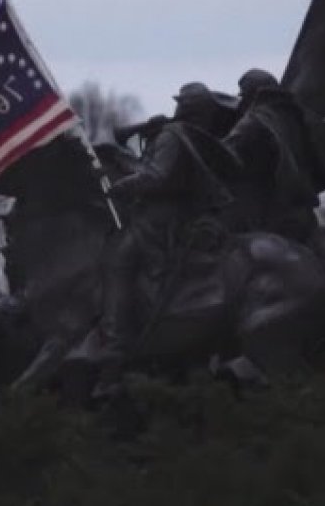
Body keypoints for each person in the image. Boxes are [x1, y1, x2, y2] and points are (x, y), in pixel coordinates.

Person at [96, 83, 241, 392]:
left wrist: (123, 185)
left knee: (118, 260)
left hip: (159, 219)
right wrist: (122, 156)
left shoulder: (172, 136)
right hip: (172, 213)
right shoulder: (183, 134)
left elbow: (157, 177)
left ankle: (116, 344)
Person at [223, 68, 325, 242]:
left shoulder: (253, 121)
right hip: (302, 210)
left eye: (243, 96)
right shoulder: (300, 117)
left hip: (268, 215)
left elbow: (223, 156)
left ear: (252, 94)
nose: (241, 102)